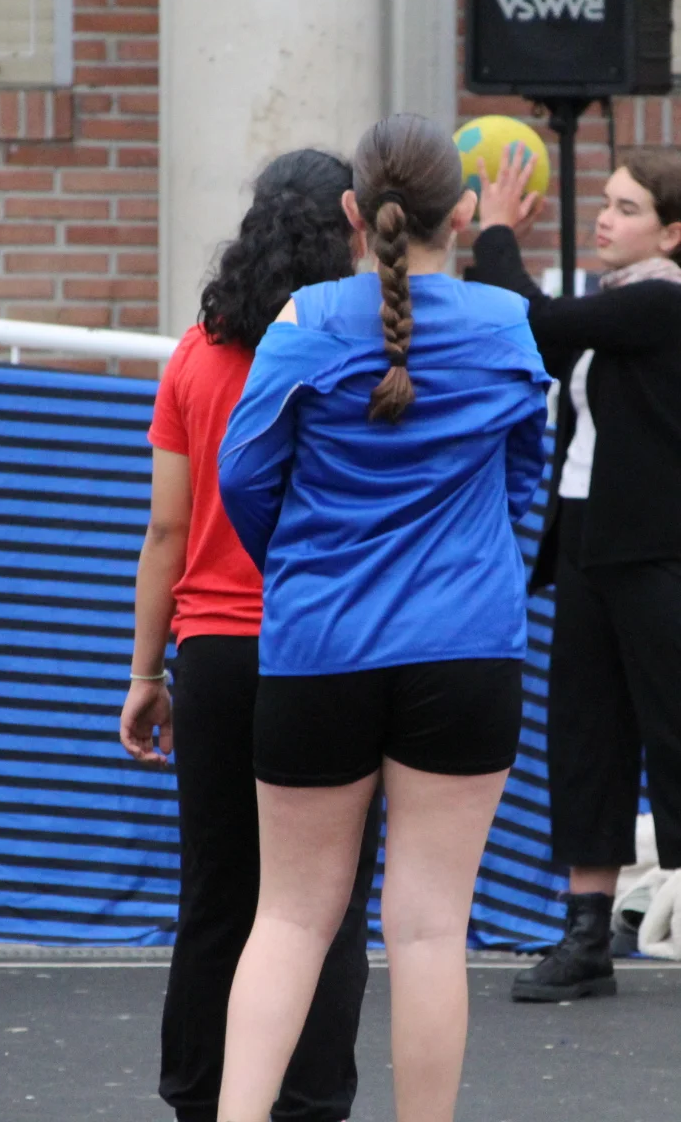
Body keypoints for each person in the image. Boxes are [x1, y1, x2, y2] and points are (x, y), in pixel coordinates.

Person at [212, 114, 548, 1122]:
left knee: (288, 919)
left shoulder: (305, 319)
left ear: (355, 213)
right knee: (432, 930)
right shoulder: (506, 324)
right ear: (466, 212)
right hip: (465, 644)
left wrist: (303, 567)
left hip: (321, 640)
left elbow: (243, 473)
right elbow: (524, 480)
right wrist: (474, 568)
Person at [469, 145, 681, 1014]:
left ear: (672, 233)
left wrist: (498, 234)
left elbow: (536, 321)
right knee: (587, 735)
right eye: (606, 201)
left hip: (661, 547)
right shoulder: (616, 305)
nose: (604, 217)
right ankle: (586, 938)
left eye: (627, 208)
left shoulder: (665, 301)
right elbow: (541, 339)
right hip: (588, 539)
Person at [118, 149, 378, 1122]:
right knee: (326, 901)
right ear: (352, 227)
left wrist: (146, 672)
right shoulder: (361, 348)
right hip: (326, 648)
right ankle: (309, 1100)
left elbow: (166, 532)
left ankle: (201, 1097)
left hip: (217, 656)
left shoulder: (198, 352)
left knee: (218, 893)